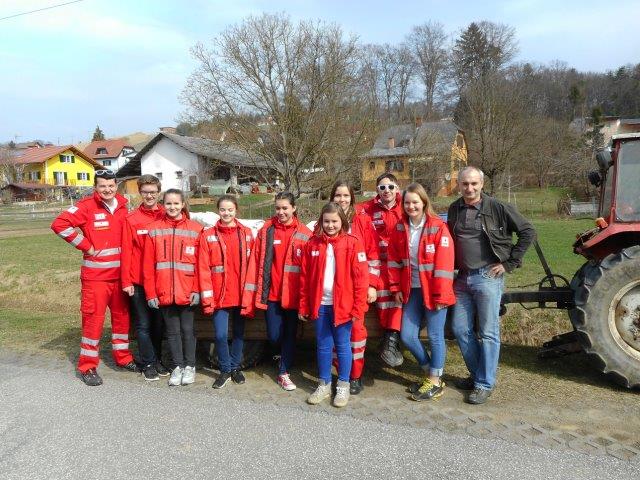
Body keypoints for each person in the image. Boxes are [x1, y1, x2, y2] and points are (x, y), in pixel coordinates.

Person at [448, 166, 535, 404]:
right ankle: (478, 375)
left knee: (487, 333)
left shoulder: (497, 207)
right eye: (465, 184)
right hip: (462, 278)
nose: (470, 188)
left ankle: (485, 384)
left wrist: (509, 263)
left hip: (488, 277)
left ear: (482, 184)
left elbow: (527, 231)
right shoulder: (454, 208)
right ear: (459, 184)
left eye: (474, 184)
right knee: (460, 329)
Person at [51, 169, 137, 386]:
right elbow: (59, 225)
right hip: (96, 278)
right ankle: (87, 366)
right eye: (102, 186)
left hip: (121, 278)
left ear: (116, 186)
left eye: (110, 186)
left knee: (122, 319)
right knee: (93, 322)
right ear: (95, 188)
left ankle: (123, 358)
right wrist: (86, 245)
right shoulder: (86, 206)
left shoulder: (125, 206)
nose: (107, 190)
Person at [388, 183, 455, 401]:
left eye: (415, 202)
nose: (410, 206)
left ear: (424, 202)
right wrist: (396, 287)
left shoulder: (438, 227)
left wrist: (441, 295)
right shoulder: (400, 228)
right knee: (407, 335)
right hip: (412, 290)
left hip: (435, 292)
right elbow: (394, 261)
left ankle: (435, 383)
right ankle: (430, 371)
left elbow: (445, 266)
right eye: (407, 202)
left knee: (435, 336)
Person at [299, 203, 369, 407]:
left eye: (334, 221)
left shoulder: (353, 243)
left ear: (342, 222)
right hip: (320, 305)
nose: (330, 225)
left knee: (343, 346)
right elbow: (304, 278)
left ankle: (343, 386)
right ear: (321, 221)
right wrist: (304, 305)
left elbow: (361, 279)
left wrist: (358, 308)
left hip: (344, 307)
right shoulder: (312, 244)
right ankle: (324, 384)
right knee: (323, 346)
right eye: (326, 221)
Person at [243, 192, 312, 391]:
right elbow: (256, 260)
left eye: (285, 208)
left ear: (294, 208)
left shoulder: (304, 234)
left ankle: (283, 371)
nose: (281, 212)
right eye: (278, 208)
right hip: (272, 294)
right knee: (274, 335)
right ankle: (282, 355)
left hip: (293, 296)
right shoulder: (266, 230)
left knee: (289, 334)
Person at [143, 189, 203, 386]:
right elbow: (148, 266)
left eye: (176, 203)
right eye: (168, 204)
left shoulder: (196, 229)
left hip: (187, 291)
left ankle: (190, 366)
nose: (172, 207)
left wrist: (196, 290)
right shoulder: (154, 229)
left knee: (188, 330)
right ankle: (177, 367)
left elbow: (200, 265)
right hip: (164, 292)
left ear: (183, 204)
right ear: (163, 204)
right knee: (172, 332)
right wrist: (151, 292)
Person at [198, 195, 254, 389]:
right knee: (221, 335)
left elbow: (252, 265)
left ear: (236, 210)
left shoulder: (246, 233)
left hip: (241, 294)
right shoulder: (208, 235)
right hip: (219, 295)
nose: (226, 213)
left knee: (239, 334)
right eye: (223, 209)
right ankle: (225, 369)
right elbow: (203, 267)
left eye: (230, 209)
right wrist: (207, 296)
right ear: (218, 211)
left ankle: (235, 368)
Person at [329, 181, 380, 394]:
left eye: (346, 196)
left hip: (356, 288)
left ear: (352, 198)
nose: (342, 200)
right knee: (335, 333)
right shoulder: (327, 220)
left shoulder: (363, 221)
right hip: (333, 289)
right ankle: (340, 373)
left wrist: (372, 285)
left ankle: (355, 375)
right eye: (338, 196)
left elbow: (373, 256)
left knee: (356, 333)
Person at [121, 175, 168, 381]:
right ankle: (147, 362)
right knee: (143, 324)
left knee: (159, 324)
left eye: (153, 192)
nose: (149, 195)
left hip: (162, 281)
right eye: (145, 192)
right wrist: (126, 281)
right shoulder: (131, 219)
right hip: (139, 281)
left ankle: (157, 359)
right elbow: (126, 253)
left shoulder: (167, 215)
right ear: (140, 193)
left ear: (159, 192)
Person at [357, 173, 404, 367]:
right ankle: (389, 339)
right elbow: (348, 212)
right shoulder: (366, 209)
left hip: (399, 262)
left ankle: (391, 340)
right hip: (375, 261)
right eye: (382, 187)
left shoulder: (406, 206)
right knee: (381, 290)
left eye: (391, 187)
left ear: (397, 189)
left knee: (398, 293)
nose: (387, 191)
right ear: (377, 191)